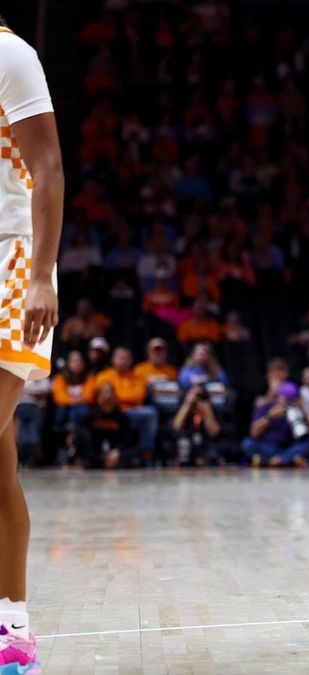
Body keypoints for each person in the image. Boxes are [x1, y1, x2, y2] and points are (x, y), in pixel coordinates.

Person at [0, 19, 62, 670]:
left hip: (12, 262)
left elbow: (47, 165)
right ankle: (12, 625)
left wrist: (42, 274)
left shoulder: (10, 53)